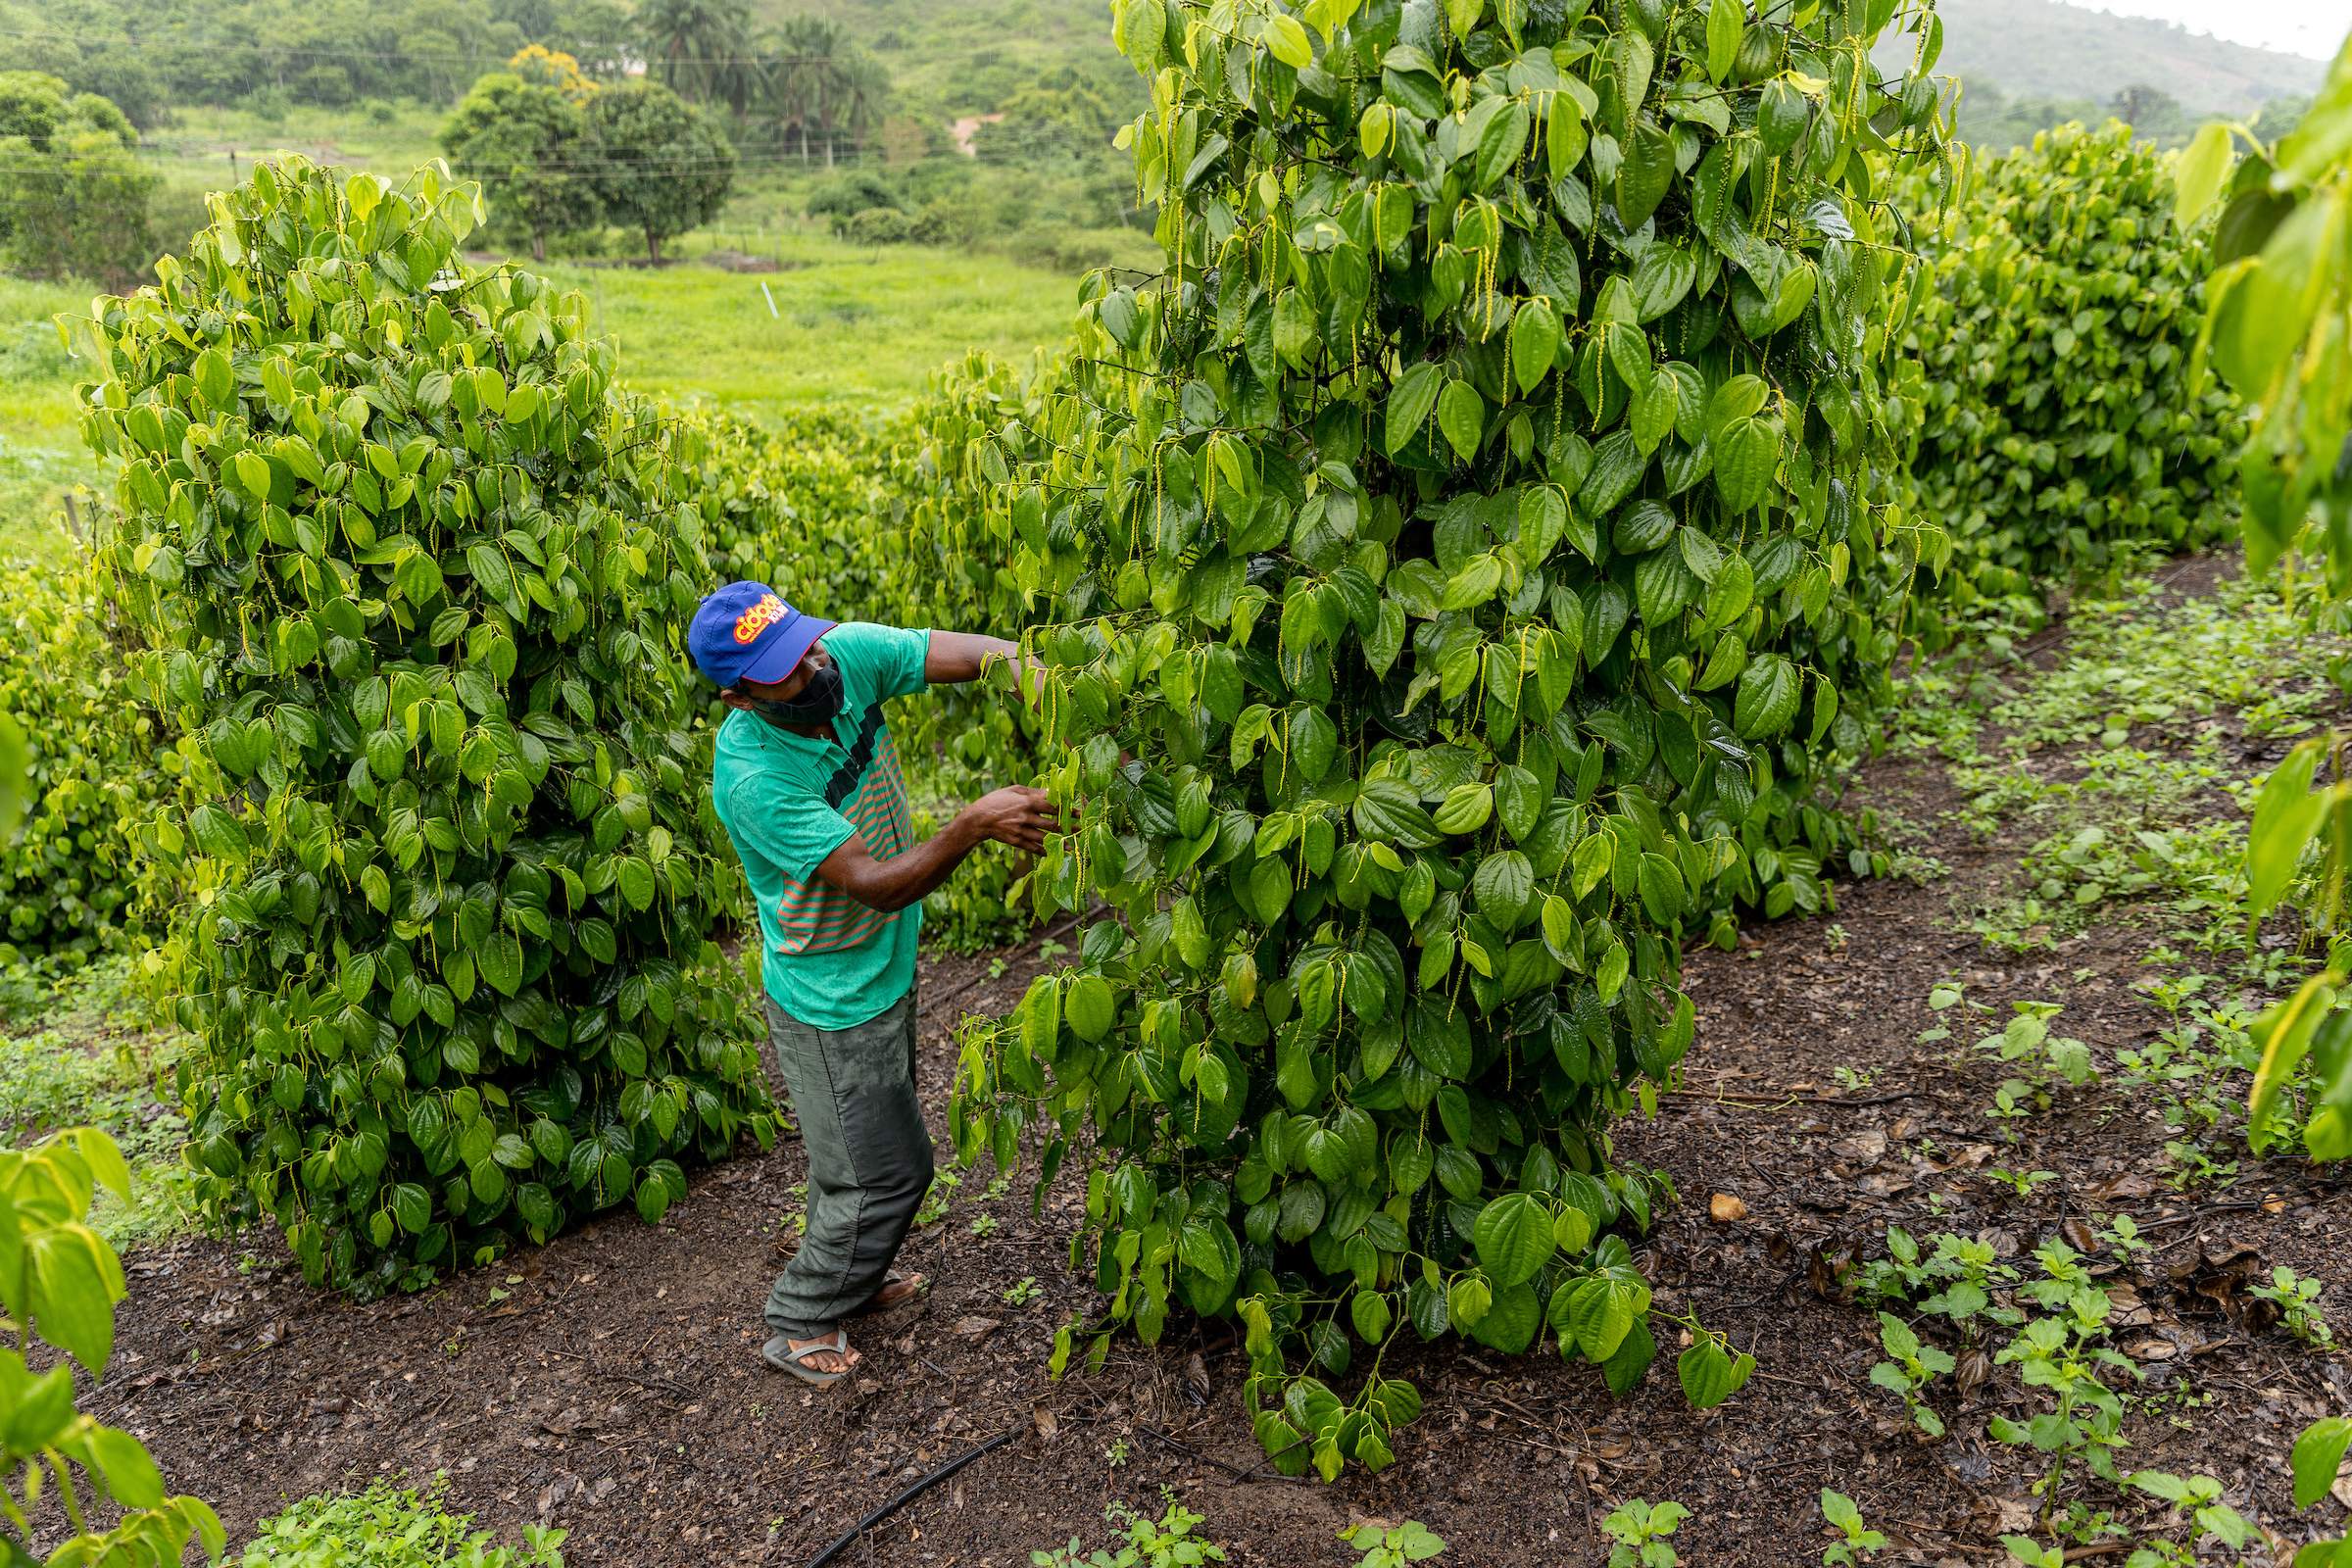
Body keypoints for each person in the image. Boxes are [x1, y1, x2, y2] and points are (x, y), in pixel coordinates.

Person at [688, 581, 1057, 1388]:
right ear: (739, 695)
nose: (815, 666)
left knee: (856, 1155)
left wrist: (1040, 677)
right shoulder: (752, 777)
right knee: (889, 1172)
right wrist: (970, 826)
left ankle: (855, 1269)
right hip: (831, 994)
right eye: (786, 669)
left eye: (806, 643)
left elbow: (964, 653)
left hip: (883, 963)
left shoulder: (841, 658)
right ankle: (800, 1315)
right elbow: (874, 884)